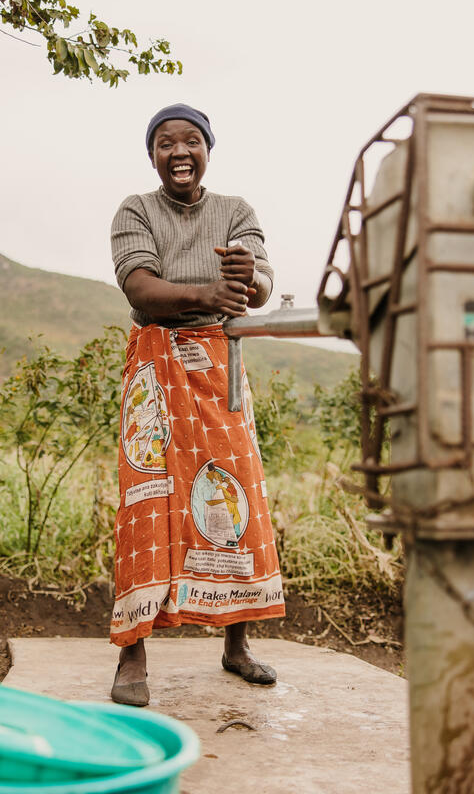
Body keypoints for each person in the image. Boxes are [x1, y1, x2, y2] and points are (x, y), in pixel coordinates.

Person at [108, 104, 285, 706]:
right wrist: (208, 291)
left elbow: (259, 288)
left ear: (208, 149)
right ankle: (132, 656)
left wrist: (247, 276)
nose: (178, 152)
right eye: (164, 143)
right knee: (147, 499)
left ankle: (236, 645)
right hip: (155, 363)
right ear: (152, 154)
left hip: (221, 365)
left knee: (231, 493)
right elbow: (140, 288)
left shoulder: (236, 212)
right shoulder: (135, 211)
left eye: (190, 142)